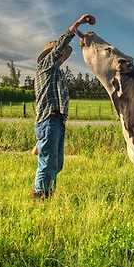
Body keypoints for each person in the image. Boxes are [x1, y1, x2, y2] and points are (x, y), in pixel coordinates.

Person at [32, 13, 96, 200]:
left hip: (56, 121)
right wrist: (78, 23)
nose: (62, 56)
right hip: (49, 120)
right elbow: (61, 44)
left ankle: (47, 193)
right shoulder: (45, 66)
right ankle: (40, 197)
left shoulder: (56, 72)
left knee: (57, 164)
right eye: (59, 53)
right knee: (47, 163)